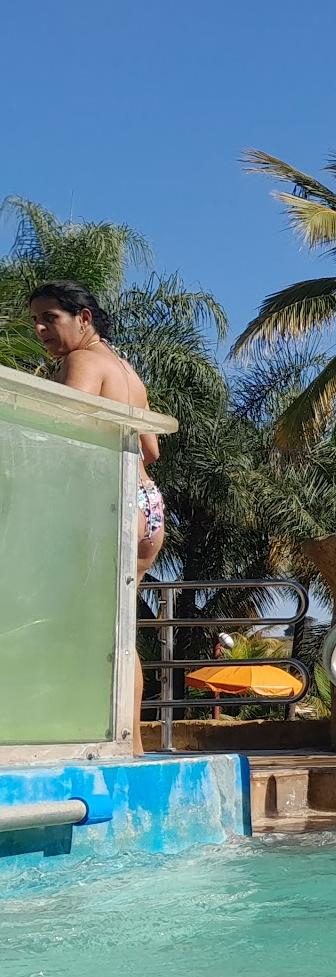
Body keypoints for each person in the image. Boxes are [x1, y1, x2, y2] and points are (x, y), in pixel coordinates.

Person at [31, 281, 166, 754]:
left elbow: (63, 432)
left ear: (83, 318)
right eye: (37, 319)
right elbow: (151, 449)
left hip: (109, 502)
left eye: (51, 317)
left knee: (83, 627)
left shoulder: (81, 361)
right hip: (147, 505)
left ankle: (89, 741)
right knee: (120, 628)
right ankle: (132, 747)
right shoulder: (126, 370)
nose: (40, 328)